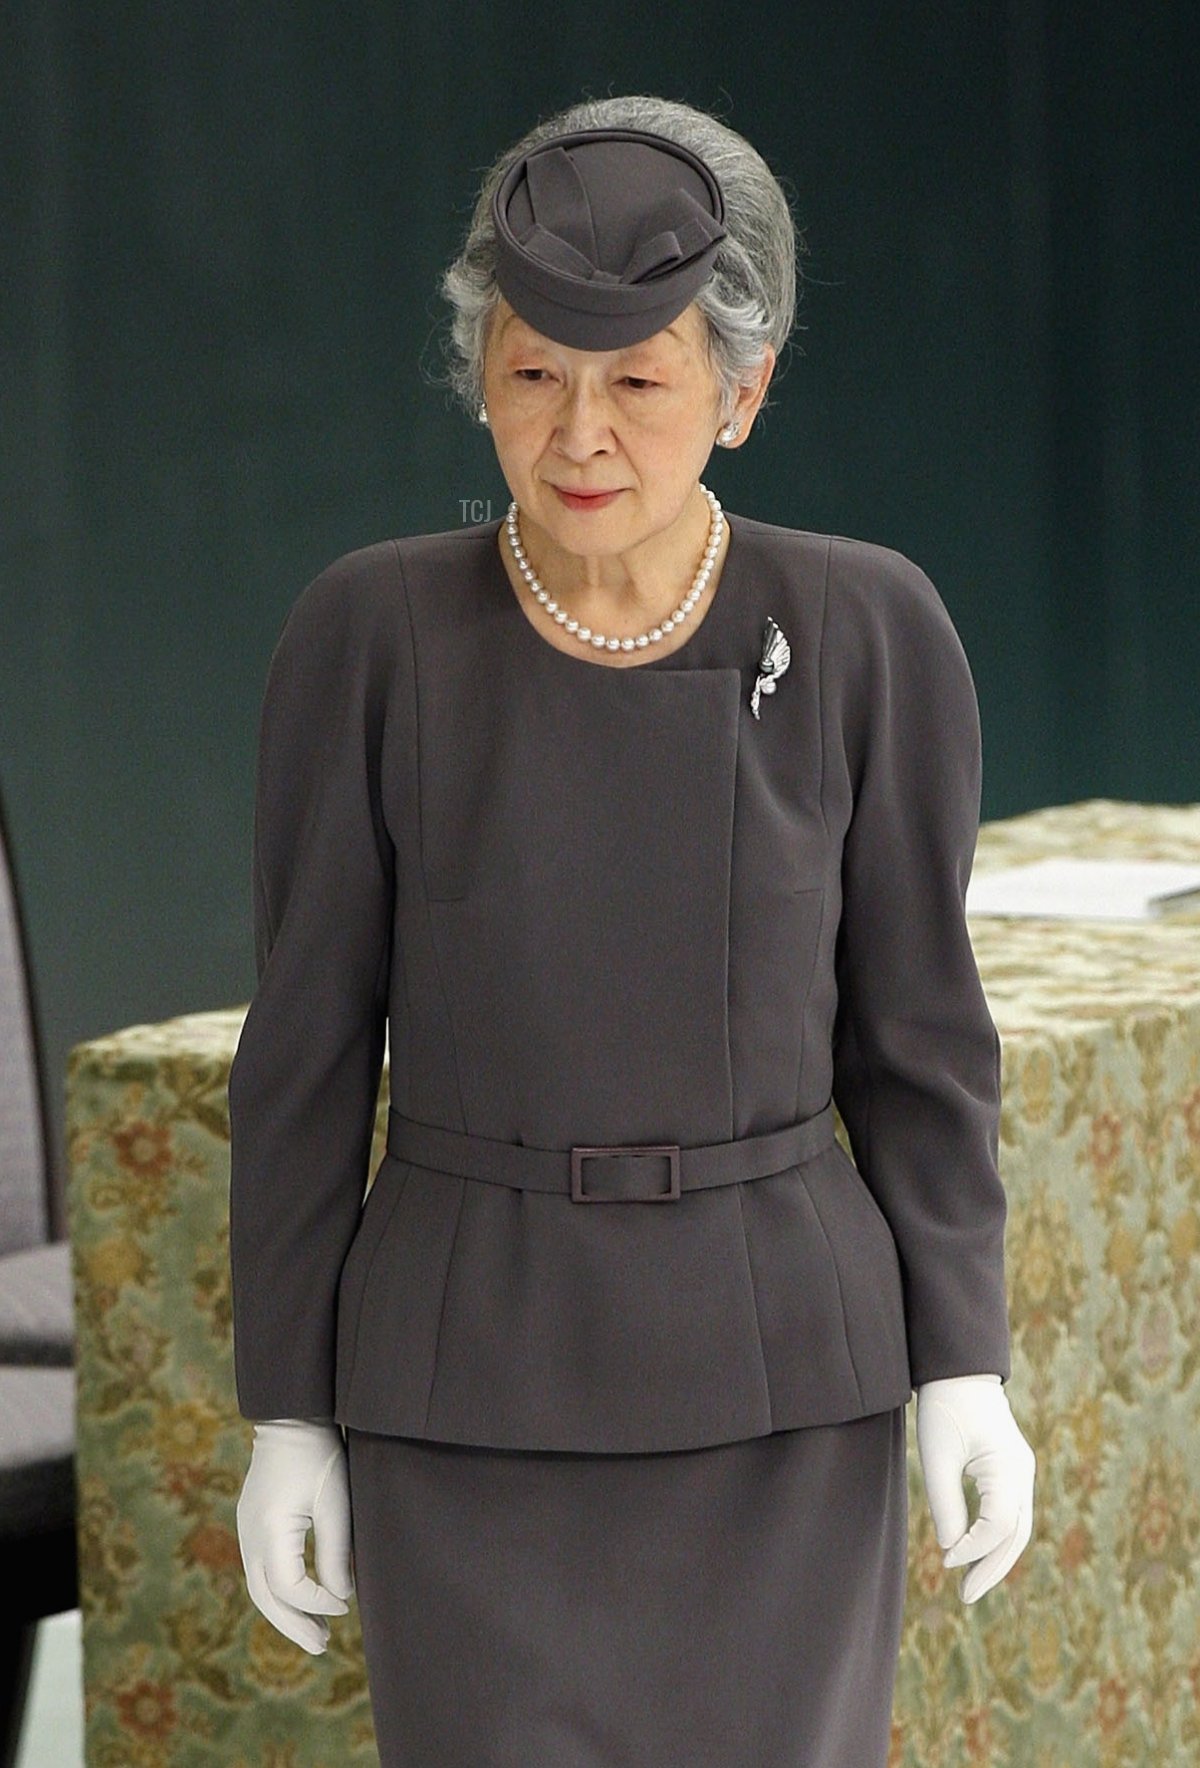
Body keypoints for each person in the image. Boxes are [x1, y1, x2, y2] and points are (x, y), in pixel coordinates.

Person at [229, 93, 1035, 1766]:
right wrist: (288, 1411)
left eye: (640, 382)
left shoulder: (863, 626)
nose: (579, 433)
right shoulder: (371, 636)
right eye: (533, 376)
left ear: (742, 393)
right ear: (480, 379)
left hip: (779, 1399)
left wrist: (965, 1364)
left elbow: (921, 1042)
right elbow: (302, 1055)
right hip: (467, 1395)